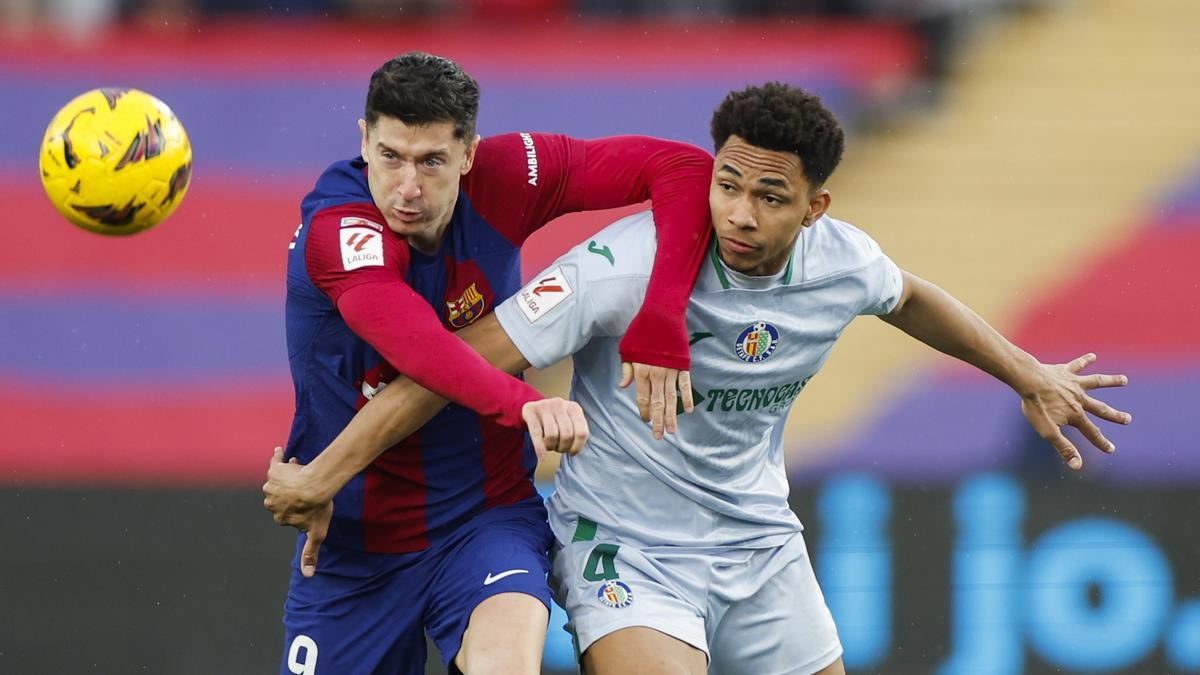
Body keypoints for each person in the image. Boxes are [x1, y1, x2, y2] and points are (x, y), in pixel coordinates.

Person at [266, 82, 1132, 674]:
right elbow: (445, 366)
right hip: (625, 546)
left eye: (771, 196)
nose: (741, 214)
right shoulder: (617, 265)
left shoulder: (842, 261)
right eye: (727, 184)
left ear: (815, 208)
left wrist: (1026, 373)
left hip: (758, 539)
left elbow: (909, 298)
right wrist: (323, 474)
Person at [271, 51, 715, 675]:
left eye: (432, 162)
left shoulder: (510, 175)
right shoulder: (341, 228)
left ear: (470, 154)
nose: (407, 187)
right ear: (363, 141)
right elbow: (416, 346)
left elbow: (683, 167)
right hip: (353, 545)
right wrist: (526, 403)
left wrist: (663, 314)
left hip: (486, 517)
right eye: (390, 155)